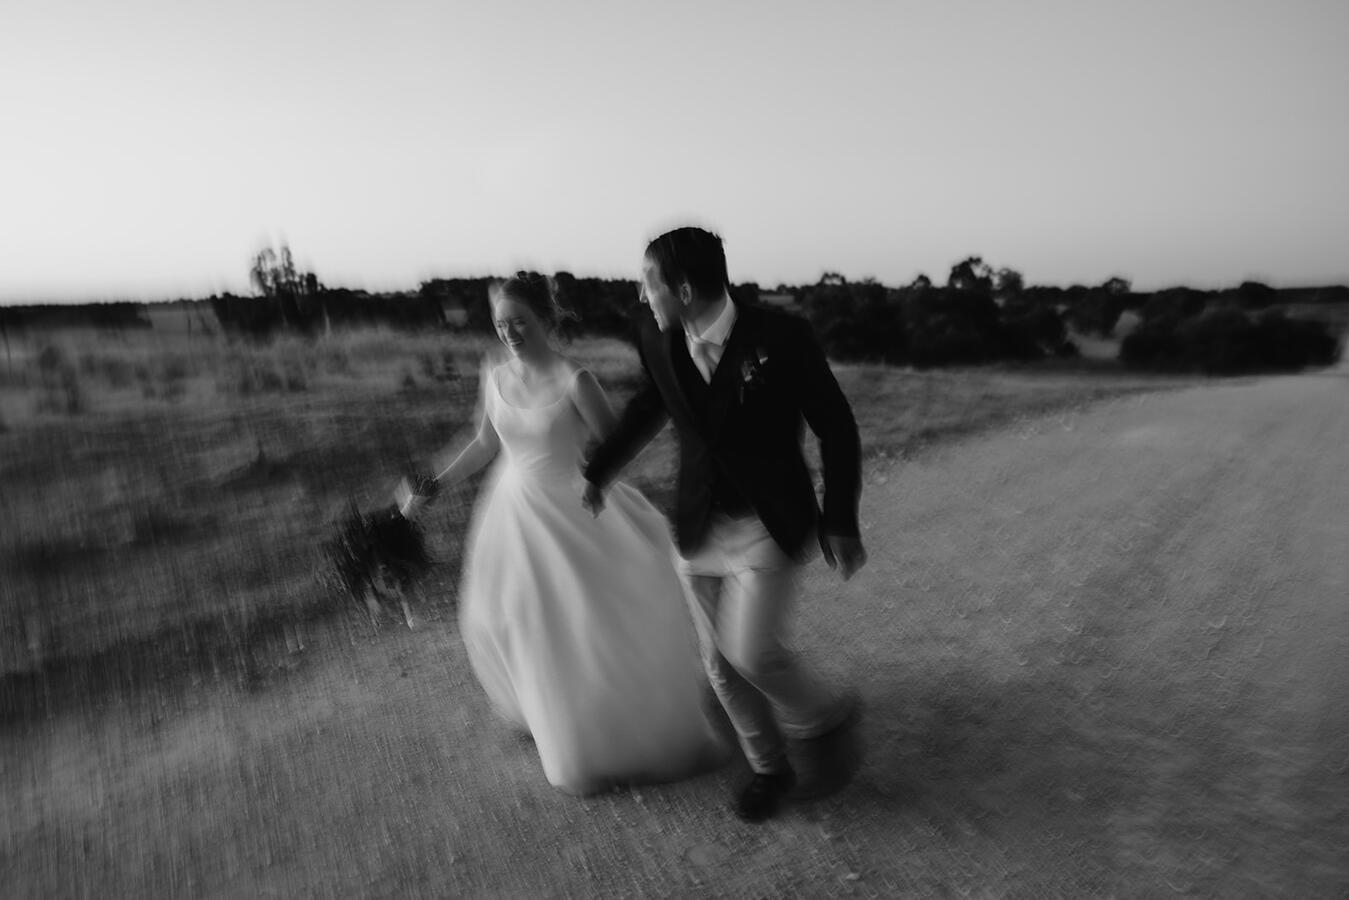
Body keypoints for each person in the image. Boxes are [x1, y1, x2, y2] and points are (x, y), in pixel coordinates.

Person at [399, 272, 725, 795]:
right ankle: (547, 712)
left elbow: (616, 445)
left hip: (571, 512)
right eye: (501, 324)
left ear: (546, 320)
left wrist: (597, 480)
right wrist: (434, 485)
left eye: (520, 322)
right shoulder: (494, 374)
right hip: (510, 514)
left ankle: (600, 733)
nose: (509, 333)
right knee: (506, 618)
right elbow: (484, 442)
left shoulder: (576, 381)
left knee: (578, 622)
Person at [583, 226, 867, 822]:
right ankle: (768, 768)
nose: (642, 296)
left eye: (648, 284)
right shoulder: (655, 336)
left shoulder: (781, 337)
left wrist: (840, 516)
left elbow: (836, 425)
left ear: (684, 290)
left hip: (768, 519)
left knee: (753, 652)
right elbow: (650, 406)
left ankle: (827, 719)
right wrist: (601, 470)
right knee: (718, 664)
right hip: (697, 523)